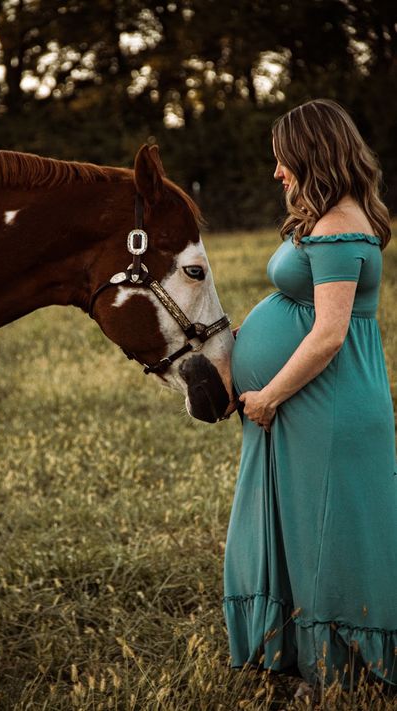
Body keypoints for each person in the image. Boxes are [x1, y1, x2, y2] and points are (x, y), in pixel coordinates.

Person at [223, 98, 396, 694]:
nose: (277, 173)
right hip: (305, 407)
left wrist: (268, 393)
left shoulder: (340, 225)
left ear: (312, 155)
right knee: (299, 530)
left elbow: (329, 334)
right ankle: (295, 656)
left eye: (283, 160)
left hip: (327, 403)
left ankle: (339, 674)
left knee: (328, 536)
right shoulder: (325, 219)